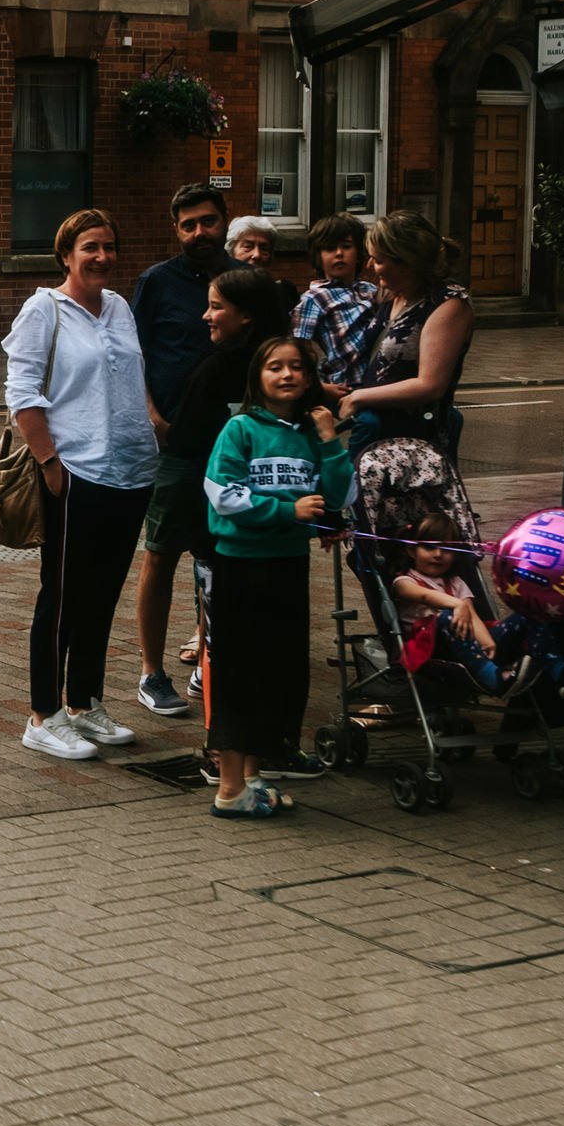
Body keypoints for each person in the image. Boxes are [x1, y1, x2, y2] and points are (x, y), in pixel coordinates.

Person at [6, 208, 159, 760]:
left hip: (131, 472)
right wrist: (50, 464)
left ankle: (84, 702)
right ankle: (42, 714)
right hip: (76, 472)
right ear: (66, 254)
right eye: (90, 247)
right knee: (64, 596)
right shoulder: (43, 309)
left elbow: (133, 380)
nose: (102, 257)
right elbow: (22, 393)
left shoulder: (118, 307)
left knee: (102, 595)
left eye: (109, 247)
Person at [199, 334, 351, 817]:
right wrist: (290, 512)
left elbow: (339, 497)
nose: (287, 375)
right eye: (275, 367)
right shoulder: (240, 429)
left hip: (289, 565)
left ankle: (252, 777)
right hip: (242, 568)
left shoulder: (311, 433)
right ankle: (229, 790)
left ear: (310, 379)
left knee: (277, 671)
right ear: (257, 378)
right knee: (240, 674)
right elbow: (224, 497)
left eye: (297, 367)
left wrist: (330, 442)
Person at [131, 268, 290, 721]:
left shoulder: (265, 364)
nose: (206, 316)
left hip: (219, 476)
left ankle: (209, 662)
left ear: (247, 316)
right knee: (164, 557)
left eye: (216, 307)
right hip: (187, 469)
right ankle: (151, 673)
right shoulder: (217, 364)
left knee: (216, 565)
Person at [391, 514, 564, 699]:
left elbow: (472, 615)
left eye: (446, 548)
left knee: (527, 616)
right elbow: (425, 596)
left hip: (471, 645)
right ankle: (494, 680)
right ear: (411, 551)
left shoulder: (456, 582)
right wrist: (457, 604)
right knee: (447, 617)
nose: (438, 554)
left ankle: (563, 674)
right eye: (429, 547)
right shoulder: (405, 582)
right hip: (433, 649)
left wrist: (487, 642)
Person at [339, 211, 472, 455]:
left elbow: (430, 386)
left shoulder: (448, 304)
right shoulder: (391, 295)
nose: (370, 266)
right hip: (374, 434)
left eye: (378, 260)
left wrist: (359, 398)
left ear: (406, 262)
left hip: (416, 446)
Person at [132, 184, 236, 444]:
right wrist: (153, 419)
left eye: (208, 221)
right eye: (189, 226)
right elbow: (133, 355)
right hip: (175, 436)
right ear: (176, 229)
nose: (199, 233)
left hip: (243, 434)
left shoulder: (248, 279)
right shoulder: (156, 282)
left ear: (226, 220)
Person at [292, 213, 381, 395]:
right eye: (330, 248)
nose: (339, 254)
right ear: (318, 257)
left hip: (380, 381)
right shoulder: (314, 298)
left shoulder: (370, 290)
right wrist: (320, 387)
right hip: (347, 385)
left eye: (346, 247)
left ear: (359, 253)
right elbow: (300, 350)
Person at [224, 213, 295, 306]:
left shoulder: (283, 295)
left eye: (264, 249)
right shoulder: (217, 292)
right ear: (230, 250)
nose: (257, 255)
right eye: (248, 246)